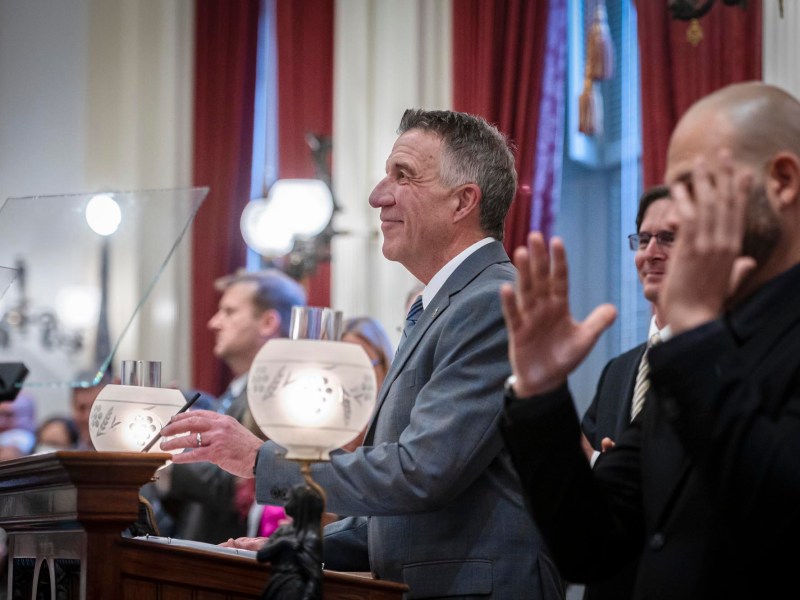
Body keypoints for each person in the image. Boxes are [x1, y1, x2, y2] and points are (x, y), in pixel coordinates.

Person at [160, 109, 564, 599]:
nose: (378, 195)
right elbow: (405, 517)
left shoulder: (489, 302)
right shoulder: (444, 304)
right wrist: (288, 544)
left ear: (463, 201)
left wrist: (260, 459)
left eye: (403, 175)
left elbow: (421, 474)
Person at [498, 81, 800, 599]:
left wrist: (697, 333)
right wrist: (541, 393)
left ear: (782, 180)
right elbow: (591, 545)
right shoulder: (698, 346)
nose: (677, 215)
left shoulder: (697, 345)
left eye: (695, 186)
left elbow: (780, 525)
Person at [153, 268, 307, 544]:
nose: (214, 322)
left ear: (268, 322)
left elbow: (244, 482)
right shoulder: (234, 394)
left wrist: (159, 459)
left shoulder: (284, 395)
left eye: (229, 311)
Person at [575, 185, 672, 600]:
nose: (650, 252)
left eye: (668, 238)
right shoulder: (617, 372)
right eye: (643, 238)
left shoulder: (723, 360)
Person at [340, 316, 394, 453]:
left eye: (362, 364)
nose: (351, 376)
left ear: (384, 366)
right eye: (342, 366)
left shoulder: (396, 420)